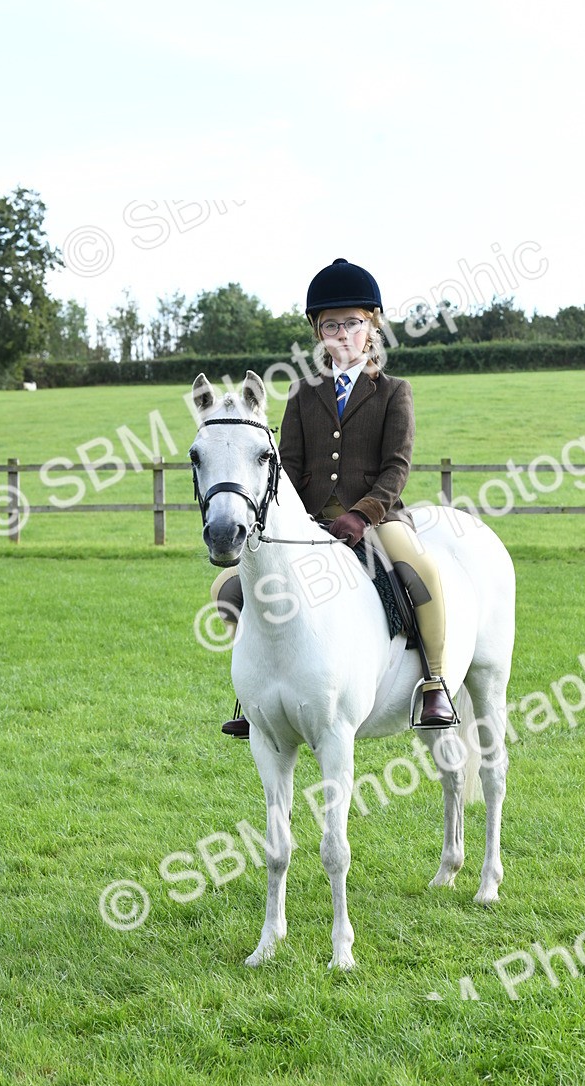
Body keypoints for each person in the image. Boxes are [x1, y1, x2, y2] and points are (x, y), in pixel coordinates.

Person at [217, 257, 453, 736]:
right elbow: (286, 468)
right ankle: (254, 692)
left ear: (373, 326)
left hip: (377, 519)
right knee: (228, 588)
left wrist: (363, 515)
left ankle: (435, 682)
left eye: (352, 323)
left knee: (420, 569)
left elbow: (397, 467)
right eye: (331, 326)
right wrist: (286, 520)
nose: (342, 334)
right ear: (318, 333)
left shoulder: (393, 392)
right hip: (307, 524)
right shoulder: (302, 393)